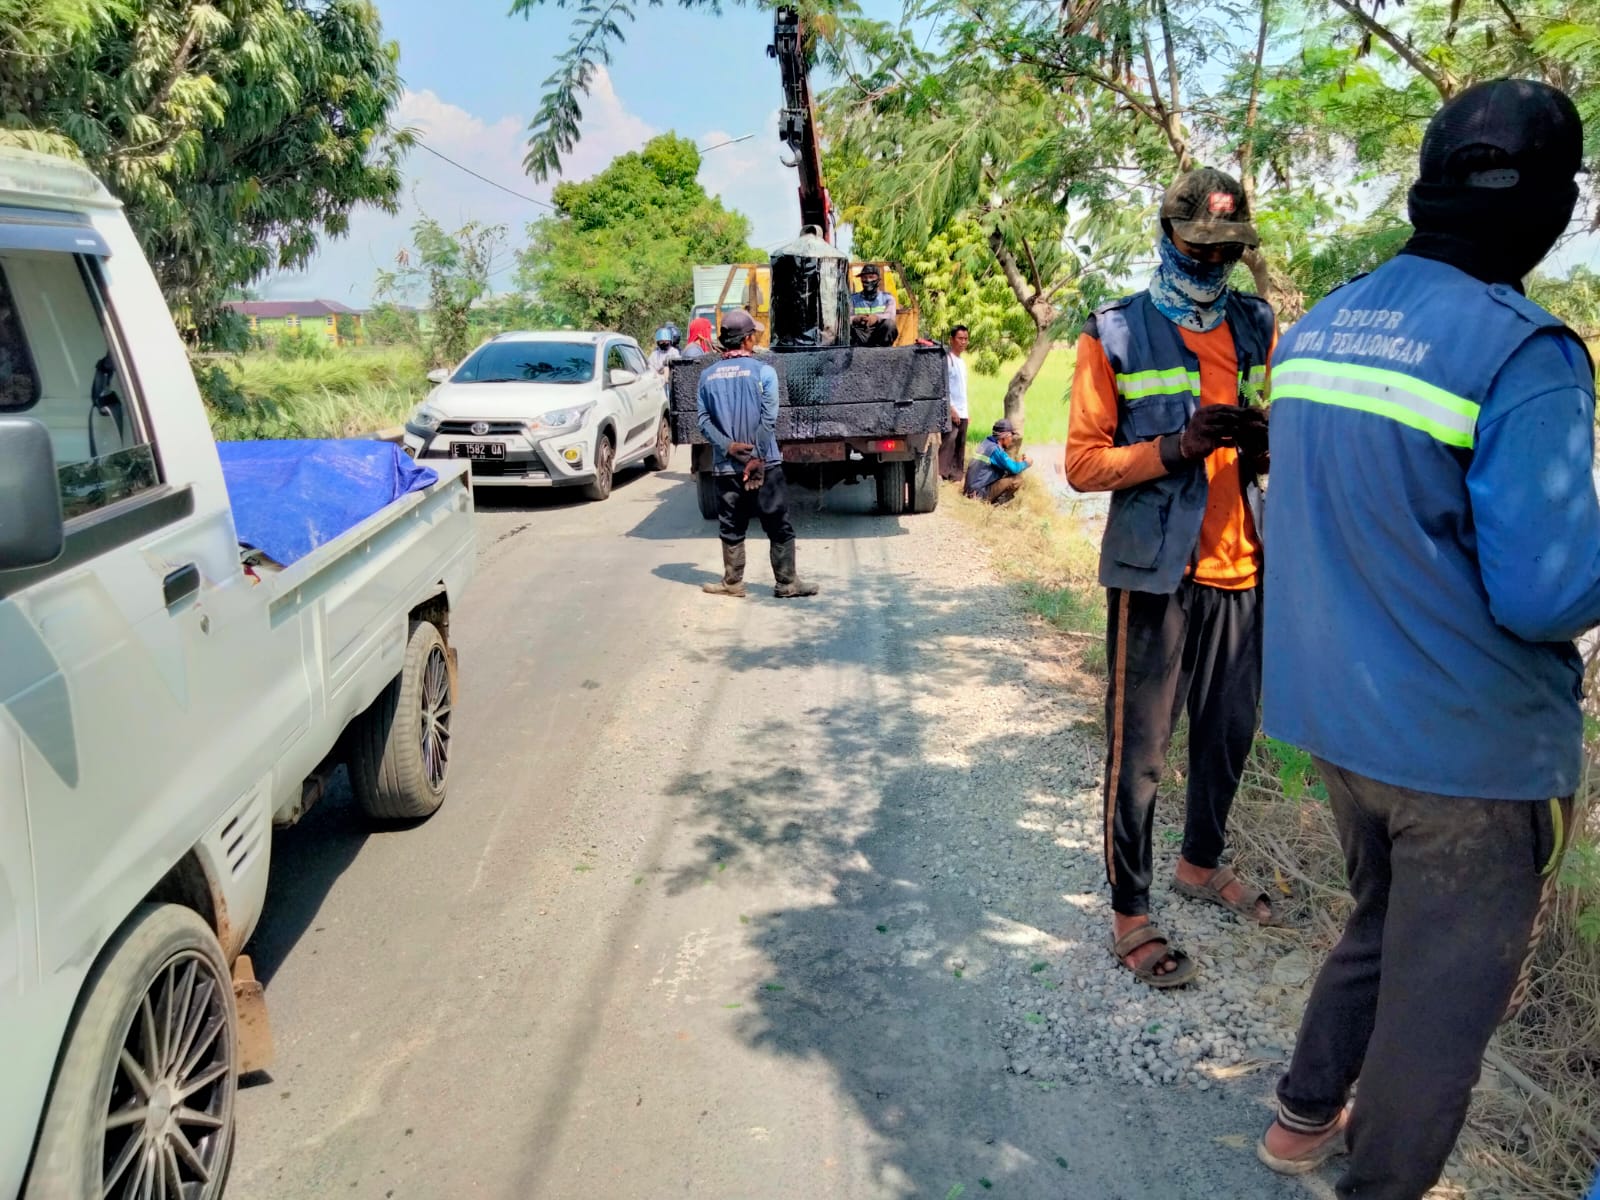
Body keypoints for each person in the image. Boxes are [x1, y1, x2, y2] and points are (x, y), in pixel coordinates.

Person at [1255, 80, 1596, 1196]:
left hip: (1338, 729)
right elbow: (1546, 596)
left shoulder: (1315, 331)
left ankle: (1301, 1114)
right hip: (1470, 753)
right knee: (1438, 1017)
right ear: (1553, 205)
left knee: (1380, 917)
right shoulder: (1521, 353)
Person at [1063, 166, 1277, 990]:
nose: (1214, 263)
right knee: (1142, 752)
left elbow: (1280, 439)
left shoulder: (1256, 326)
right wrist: (1175, 449)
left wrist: (1260, 444)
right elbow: (1081, 463)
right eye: (1201, 247)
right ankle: (1129, 907)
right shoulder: (1114, 332)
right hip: (1155, 575)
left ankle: (1200, 862)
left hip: (1244, 567)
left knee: (1227, 738)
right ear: (1168, 234)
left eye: (1229, 250)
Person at [696, 309, 818, 599]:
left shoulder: (706, 376)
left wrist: (728, 446)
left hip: (726, 467)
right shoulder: (764, 372)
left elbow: (703, 421)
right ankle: (787, 583)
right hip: (766, 465)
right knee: (777, 522)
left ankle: (732, 583)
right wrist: (757, 459)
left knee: (731, 524)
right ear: (748, 339)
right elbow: (768, 420)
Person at [963, 418, 1030, 504]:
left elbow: (1008, 466)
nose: (1011, 439)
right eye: (1011, 436)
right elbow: (1014, 469)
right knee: (1017, 479)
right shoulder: (995, 451)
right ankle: (997, 505)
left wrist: (1019, 463)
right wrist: (1026, 463)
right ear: (1004, 437)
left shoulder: (986, 443)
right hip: (978, 494)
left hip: (969, 490)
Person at [940, 325, 971, 481]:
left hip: (963, 410)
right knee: (949, 441)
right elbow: (943, 386)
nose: (963, 342)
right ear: (951, 340)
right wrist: (951, 409)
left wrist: (967, 412)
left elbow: (962, 389)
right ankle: (941, 474)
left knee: (960, 445)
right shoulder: (947, 359)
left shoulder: (962, 362)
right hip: (951, 409)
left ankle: (956, 477)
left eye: (966, 339)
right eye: (960, 338)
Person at [849, 264, 898, 347]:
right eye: (864, 277)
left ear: (878, 279)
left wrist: (876, 318)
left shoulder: (887, 298)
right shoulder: (852, 298)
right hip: (860, 335)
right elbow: (844, 320)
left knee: (889, 324)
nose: (868, 280)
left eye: (871, 277)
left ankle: (882, 353)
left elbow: (890, 316)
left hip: (878, 335)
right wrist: (856, 319)